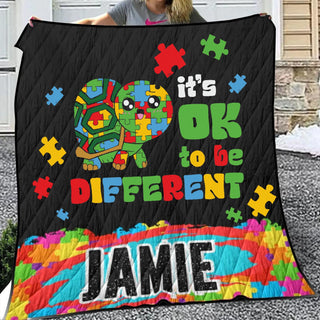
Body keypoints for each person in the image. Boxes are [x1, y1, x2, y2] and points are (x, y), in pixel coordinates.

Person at [29, 0, 206, 27]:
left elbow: (212, 34)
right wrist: (47, 27)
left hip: (171, 77)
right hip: (137, 75)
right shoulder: (130, 6)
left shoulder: (184, 12)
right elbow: (92, 23)